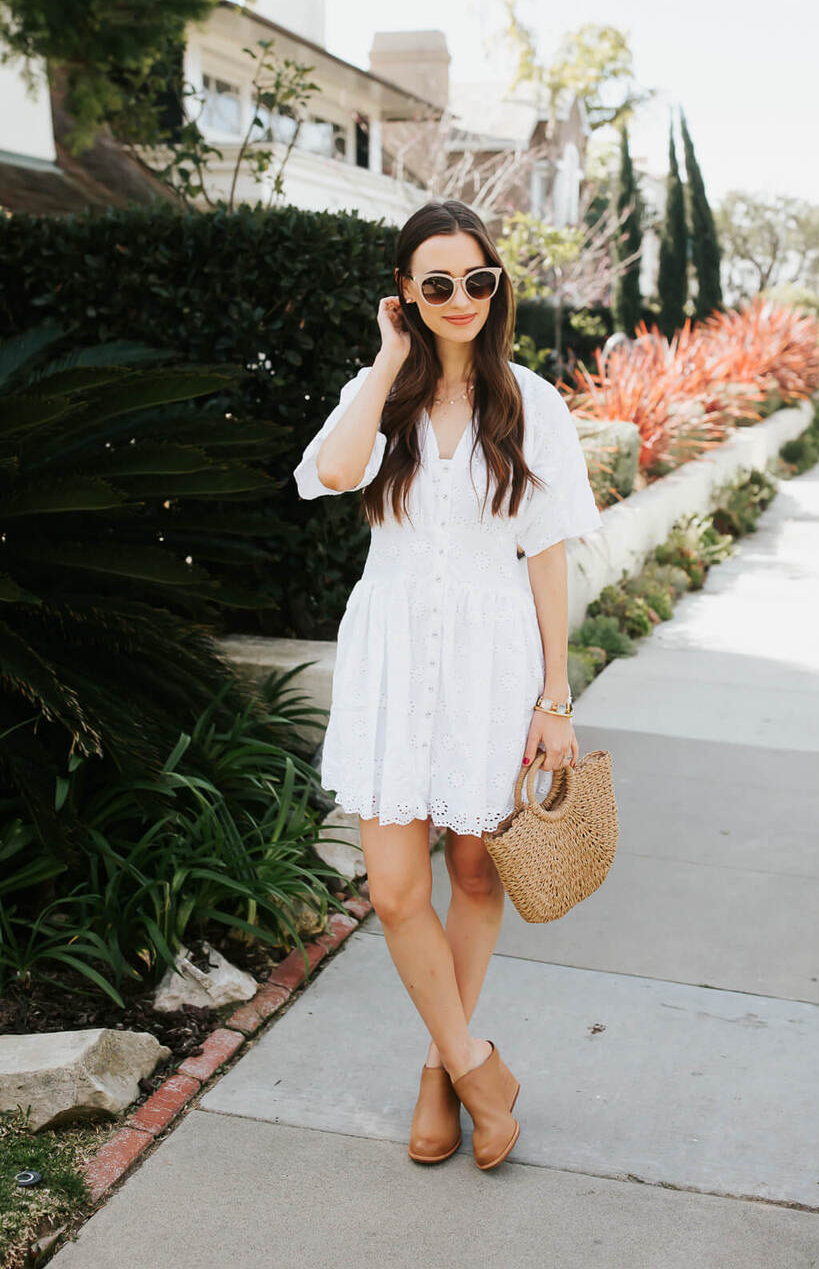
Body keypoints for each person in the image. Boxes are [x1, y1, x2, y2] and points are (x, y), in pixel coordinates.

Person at [292, 198, 603, 1171]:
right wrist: (386, 362)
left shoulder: (532, 403)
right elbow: (334, 471)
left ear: (496, 285)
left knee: (473, 871)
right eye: (437, 283)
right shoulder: (378, 392)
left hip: (494, 659)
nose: (460, 298)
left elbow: (545, 553)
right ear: (406, 296)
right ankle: (479, 1068)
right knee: (391, 889)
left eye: (476, 279)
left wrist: (555, 698)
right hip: (392, 652)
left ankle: (437, 1070)